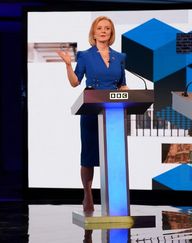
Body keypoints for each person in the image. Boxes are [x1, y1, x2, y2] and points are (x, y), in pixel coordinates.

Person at [57, 16, 128, 212]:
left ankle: (114, 197)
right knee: (89, 155)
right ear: (94, 32)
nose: (103, 31)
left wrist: (129, 93)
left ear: (111, 33)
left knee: (113, 155)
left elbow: (122, 84)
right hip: (91, 110)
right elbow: (75, 82)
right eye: (100, 28)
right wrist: (68, 65)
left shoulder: (120, 57)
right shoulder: (85, 56)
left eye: (107, 28)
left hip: (113, 112)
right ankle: (88, 193)